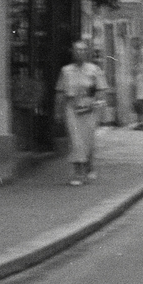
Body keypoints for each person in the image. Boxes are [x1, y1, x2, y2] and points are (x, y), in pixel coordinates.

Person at [56, 40, 107, 185]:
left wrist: (98, 106)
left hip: (89, 109)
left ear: (87, 53)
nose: (80, 53)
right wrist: (58, 111)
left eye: (83, 50)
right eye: (77, 50)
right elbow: (60, 92)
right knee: (75, 141)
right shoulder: (66, 71)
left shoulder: (94, 70)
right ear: (72, 52)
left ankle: (89, 165)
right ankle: (78, 173)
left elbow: (101, 91)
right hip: (72, 108)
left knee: (87, 140)